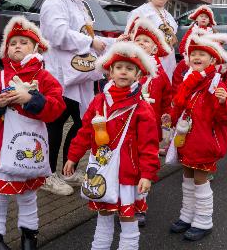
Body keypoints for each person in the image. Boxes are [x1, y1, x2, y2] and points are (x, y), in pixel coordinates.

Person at [0, 17, 66, 250]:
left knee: (27, 194)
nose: (17, 45)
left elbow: (56, 108)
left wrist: (31, 100)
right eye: (13, 42)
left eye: (24, 42)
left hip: (31, 147)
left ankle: (29, 233)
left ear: (35, 48)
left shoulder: (44, 78)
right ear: (6, 49)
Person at [64, 42, 160, 250]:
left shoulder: (142, 109)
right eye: (119, 67)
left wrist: (147, 174)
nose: (123, 72)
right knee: (104, 215)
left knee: (128, 218)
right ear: (110, 72)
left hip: (128, 174)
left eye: (129, 68)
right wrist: (73, 156)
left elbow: (149, 146)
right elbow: (85, 131)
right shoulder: (99, 101)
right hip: (102, 170)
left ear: (137, 75)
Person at [39, 0, 111, 195]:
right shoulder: (57, 1)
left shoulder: (80, 5)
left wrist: (112, 43)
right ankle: (46, 175)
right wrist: (90, 42)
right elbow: (57, 34)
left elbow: (86, 35)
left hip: (79, 77)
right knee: (56, 123)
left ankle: (68, 171)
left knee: (81, 123)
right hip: (60, 75)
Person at [168, 34, 227, 241]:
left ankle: (204, 220)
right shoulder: (189, 80)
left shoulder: (216, 83)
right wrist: (169, 119)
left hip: (205, 140)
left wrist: (224, 103)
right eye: (193, 54)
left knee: (200, 179)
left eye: (202, 54)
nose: (196, 57)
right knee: (187, 177)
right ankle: (187, 215)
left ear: (213, 60)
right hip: (188, 138)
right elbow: (179, 106)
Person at [128, 17, 173, 226]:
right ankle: (125, 200)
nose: (141, 44)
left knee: (145, 167)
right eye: (139, 40)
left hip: (150, 130)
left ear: (155, 48)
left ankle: (140, 205)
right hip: (127, 129)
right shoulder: (125, 69)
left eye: (146, 41)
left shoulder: (160, 74)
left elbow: (166, 101)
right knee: (128, 165)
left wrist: (166, 121)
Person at [127, 0, 178, 81]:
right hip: (149, 60)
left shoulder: (169, 16)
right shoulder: (140, 12)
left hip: (168, 60)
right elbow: (129, 37)